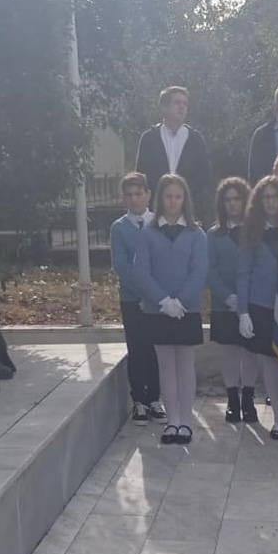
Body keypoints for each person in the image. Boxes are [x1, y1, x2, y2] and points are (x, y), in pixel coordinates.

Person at [132, 174, 208, 445]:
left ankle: (185, 421)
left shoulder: (196, 234)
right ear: (160, 199)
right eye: (168, 196)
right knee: (165, 365)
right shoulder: (148, 232)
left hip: (187, 310)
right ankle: (172, 421)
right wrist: (164, 301)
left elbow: (199, 272)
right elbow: (141, 271)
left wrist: (180, 302)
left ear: (185, 199)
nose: (173, 201)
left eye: (178, 196)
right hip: (157, 310)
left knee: (185, 364)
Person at [238, 176, 278, 439]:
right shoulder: (251, 230)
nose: (271, 202)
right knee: (269, 363)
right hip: (261, 305)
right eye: (266, 197)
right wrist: (243, 312)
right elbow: (243, 273)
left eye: (275, 197)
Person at [110, 172, 165, 424]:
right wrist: (142, 293)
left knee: (155, 348)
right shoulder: (119, 228)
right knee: (136, 348)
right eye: (129, 195)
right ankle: (139, 401)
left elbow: (162, 262)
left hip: (157, 299)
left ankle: (155, 398)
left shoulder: (159, 223)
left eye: (138, 193)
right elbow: (122, 266)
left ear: (148, 195)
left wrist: (155, 295)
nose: (134, 199)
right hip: (132, 299)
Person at [208, 177, 259, 423]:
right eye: (227, 200)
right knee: (230, 353)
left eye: (237, 199)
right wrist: (228, 297)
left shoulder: (256, 231)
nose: (232, 204)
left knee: (250, 352)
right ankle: (232, 400)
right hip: (224, 304)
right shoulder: (214, 234)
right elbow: (210, 270)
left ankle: (248, 400)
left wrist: (246, 300)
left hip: (252, 303)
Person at [134, 86, 213, 217]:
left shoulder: (196, 139)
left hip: (189, 213)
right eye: (177, 103)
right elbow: (141, 176)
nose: (182, 107)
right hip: (155, 213)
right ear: (164, 108)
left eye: (185, 104)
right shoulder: (149, 138)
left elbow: (205, 178)